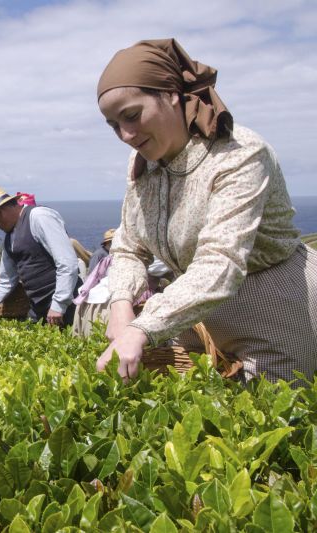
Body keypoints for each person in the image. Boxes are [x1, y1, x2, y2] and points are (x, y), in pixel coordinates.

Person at [94, 38, 317, 385]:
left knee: (275, 420)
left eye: (132, 116)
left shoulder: (239, 154)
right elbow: (128, 245)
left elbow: (221, 261)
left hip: (272, 301)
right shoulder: (143, 165)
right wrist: (121, 302)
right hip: (194, 311)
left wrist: (142, 327)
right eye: (113, 125)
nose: (125, 134)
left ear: (170, 94)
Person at [0, 186, 80, 326]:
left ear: (0, 212)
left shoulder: (39, 217)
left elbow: (67, 263)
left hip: (66, 306)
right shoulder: (9, 239)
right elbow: (6, 282)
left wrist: (58, 305)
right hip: (38, 308)